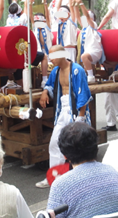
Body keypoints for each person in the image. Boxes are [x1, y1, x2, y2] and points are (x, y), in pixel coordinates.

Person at [37, 45, 92, 188]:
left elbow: (83, 95)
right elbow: (49, 85)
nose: (51, 59)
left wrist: (80, 118)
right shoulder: (55, 71)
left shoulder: (77, 70)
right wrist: (44, 92)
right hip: (62, 109)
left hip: (76, 110)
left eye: (54, 56)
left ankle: (83, 179)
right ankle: (54, 178)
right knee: (55, 142)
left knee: (78, 147)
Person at [75, 0, 104, 83]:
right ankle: (89, 75)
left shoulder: (93, 25)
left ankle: (91, 76)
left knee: (84, 56)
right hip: (88, 51)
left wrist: (81, 3)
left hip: (95, 51)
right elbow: (78, 17)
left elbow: (87, 17)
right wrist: (76, 6)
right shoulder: (85, 27)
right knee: (83, 58)